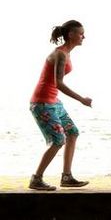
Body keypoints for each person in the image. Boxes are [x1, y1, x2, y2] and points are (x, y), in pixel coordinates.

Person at [28, 20, 92, 191]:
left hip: (53, 102)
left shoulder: (66, 53)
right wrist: (81, 99)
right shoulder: (61, 54)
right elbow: (59, 83)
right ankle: (36, 179)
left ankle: (67, 177)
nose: (83, 37)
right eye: (81, 33)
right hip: (42, 102)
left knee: (72, 132)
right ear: (71, 34)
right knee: (58, 140)